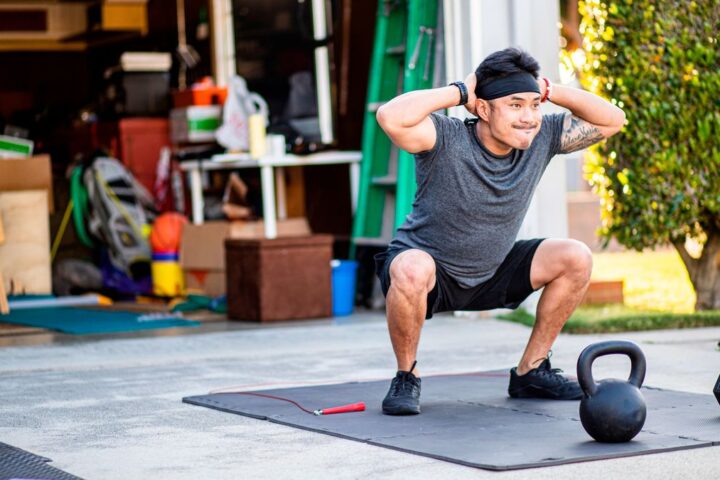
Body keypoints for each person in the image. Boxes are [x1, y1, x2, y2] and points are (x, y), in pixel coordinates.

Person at [374, 47, 625, 415]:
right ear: (484, 109)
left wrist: (548, 89)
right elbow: (390, 117)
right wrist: (461, 91)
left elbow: (613, 120)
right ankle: (406, 376)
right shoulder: (445, 137)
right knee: (412, 267)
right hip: (432, 275)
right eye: (515, 105)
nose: (529, 118)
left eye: (534, 105)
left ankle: (531, 371)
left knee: (575, 256)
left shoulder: (542, 137)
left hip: (493, 270)